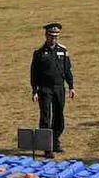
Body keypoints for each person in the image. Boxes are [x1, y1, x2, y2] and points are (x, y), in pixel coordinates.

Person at [30, 22, 75, 158]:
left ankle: (55, 141)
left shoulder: (63, 50)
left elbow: (67, 70)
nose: (53, 39)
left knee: (59, 116)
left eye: (56, 36)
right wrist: (34, 90)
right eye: (51, 36)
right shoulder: (39, 52)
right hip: (45, 88)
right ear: (46, 36)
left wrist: (71, 86)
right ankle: (46, 147)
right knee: (45, 117)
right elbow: (34, 73)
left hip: (59, 87)